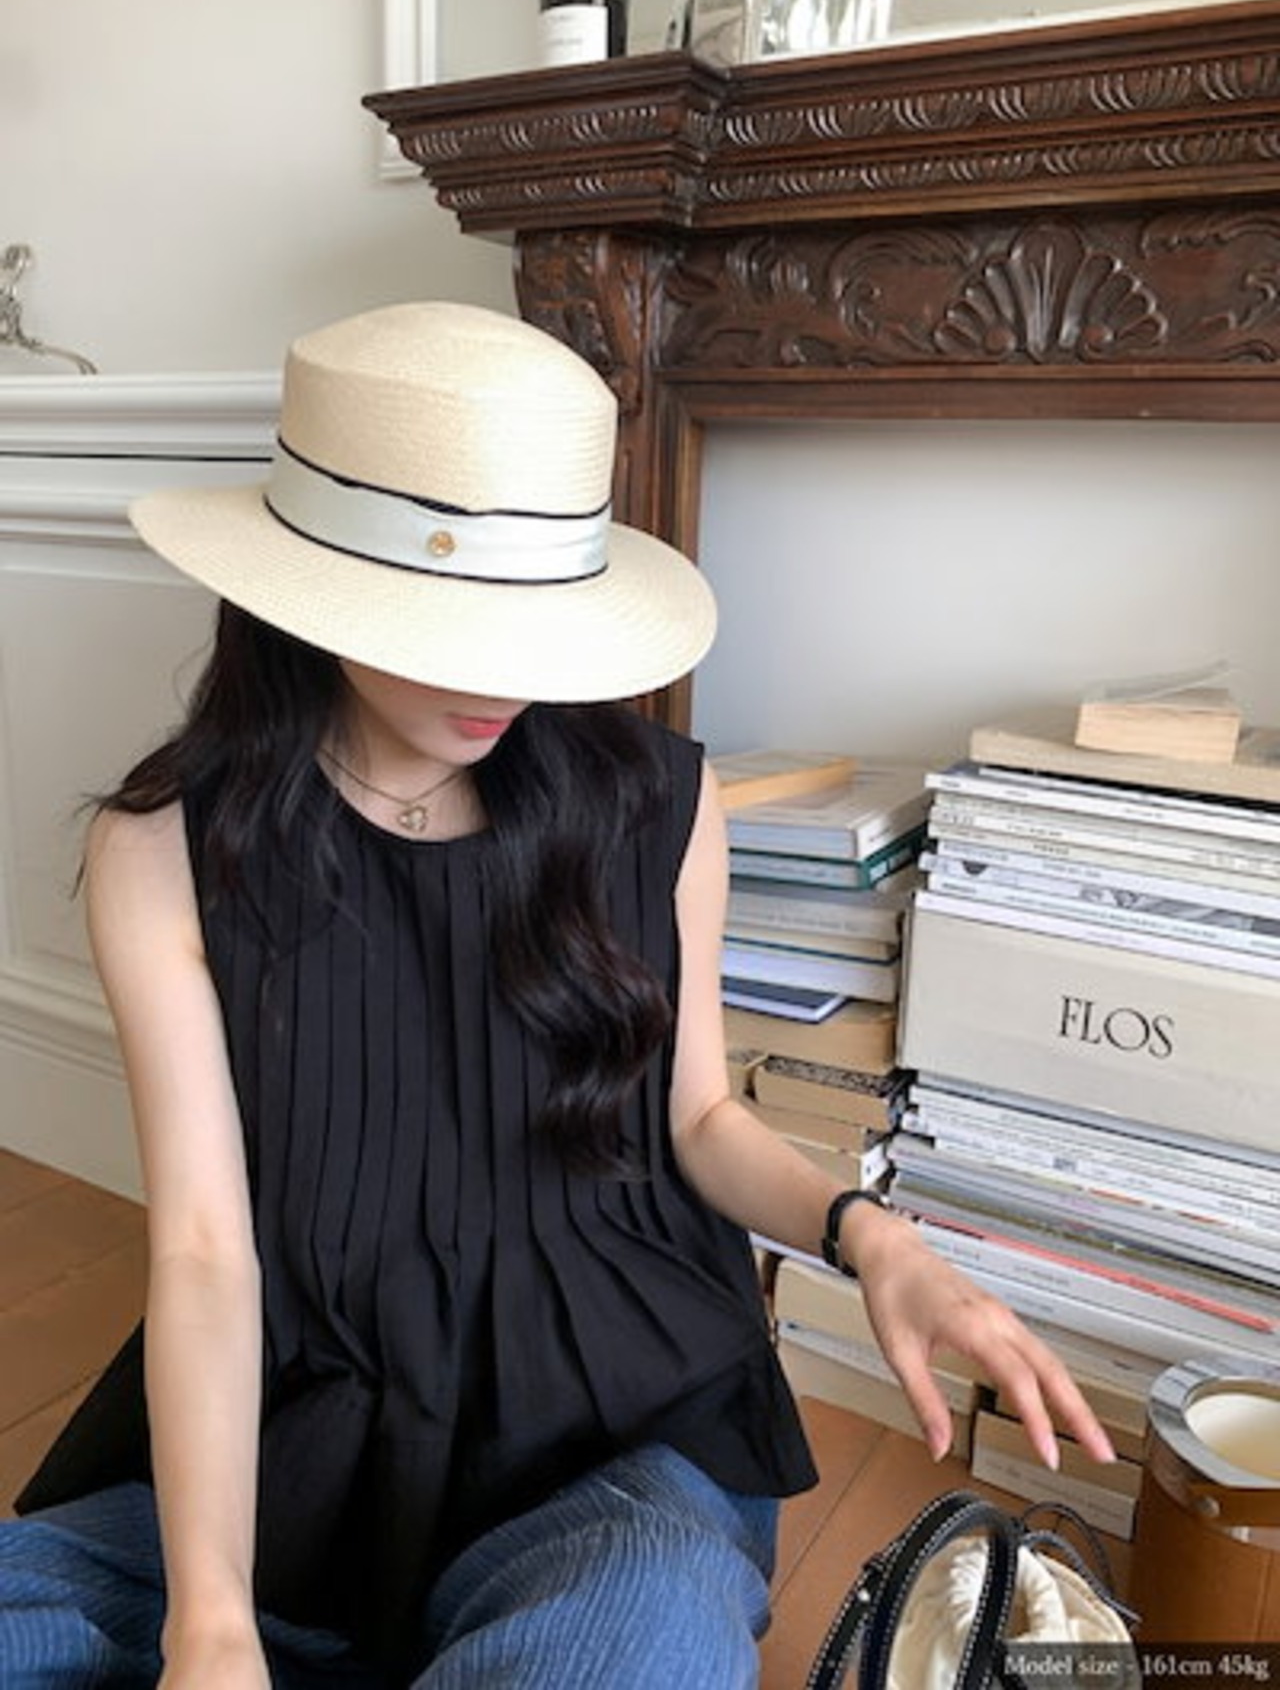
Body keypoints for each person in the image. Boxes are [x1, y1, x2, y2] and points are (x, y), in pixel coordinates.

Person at [0, 302, 1113, 1690]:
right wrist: (210, 1626)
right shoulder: (166, 848)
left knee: (627, 1649)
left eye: (538, 617)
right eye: (449, 619)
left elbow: (698, 1117)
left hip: (617, 1421)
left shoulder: (659, 802)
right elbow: (209, 1253)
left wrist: (870, 1236)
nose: (505, 675)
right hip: (307, 1427)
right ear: (309, 585)